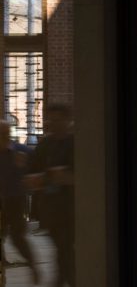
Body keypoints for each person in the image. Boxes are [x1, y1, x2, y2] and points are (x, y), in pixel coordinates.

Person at [28, 102, 75, 286]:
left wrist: (67, 177)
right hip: (51, 206)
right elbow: (33, 171)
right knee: (61, 247)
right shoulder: (45, 144)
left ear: (68, 120)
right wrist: (38, 179)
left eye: (59, 120)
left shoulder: (75, 143)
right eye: (52, 120)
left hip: (70, 205)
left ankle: (64, 280)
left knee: (65, 248)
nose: (55, 124)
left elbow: (86, 174)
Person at [0, 117, 34, 276]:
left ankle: (32, 264)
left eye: (5, 133)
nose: (3, 137)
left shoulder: (21, 151)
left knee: (17, 236)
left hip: (14, 199)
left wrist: (24, 168)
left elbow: (36, 171)